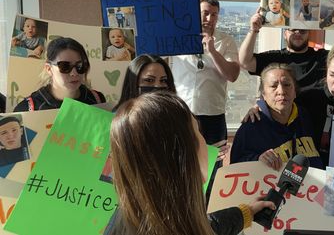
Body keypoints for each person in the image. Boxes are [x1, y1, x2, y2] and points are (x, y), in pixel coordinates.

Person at [105, 91, 276, 235]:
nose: (204, 140)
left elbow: (208, 226)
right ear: (183, 153)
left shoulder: (144, 213)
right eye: (197, 131)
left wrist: (248, 212)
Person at [172, 0, 239, 199]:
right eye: (205, 13)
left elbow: (232, 74)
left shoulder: (226, 41)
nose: (209, 18)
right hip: (182, 114)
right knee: (180, 163)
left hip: (213, 115)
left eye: (214, 15)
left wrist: (211, 50)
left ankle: (208, 215)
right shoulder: (178, 37)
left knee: (212, 168)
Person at [230, 63, 323, 170]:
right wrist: (257, 160)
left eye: (287, 85)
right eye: (273, 86)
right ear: (263, 94)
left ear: (295, 92)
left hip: (311, 185)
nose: (281, 91)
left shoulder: (306, 117)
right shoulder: (250, 127)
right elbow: (235, 168)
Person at [13, 37, 105, 112]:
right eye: (65, 66)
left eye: (80, 66)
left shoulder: (97, 100)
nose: (74, 73)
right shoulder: (27, 110)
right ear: (49, 69)